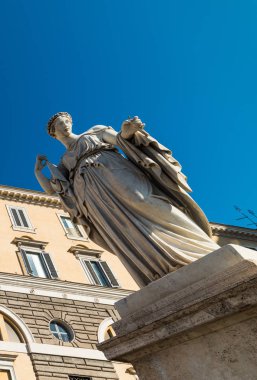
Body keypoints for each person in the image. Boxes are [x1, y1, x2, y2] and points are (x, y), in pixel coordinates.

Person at [35, 112, 219, 286]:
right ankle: (160, 265)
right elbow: (53, 190)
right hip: (91, 195)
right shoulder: (64, 160)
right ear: (53, 133)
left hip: (113, 169)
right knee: (123, 228)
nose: (65, 125)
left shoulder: (94, 131)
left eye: (67, 121)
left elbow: (119, 139)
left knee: (143, 201)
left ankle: (200, 245)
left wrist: (128, 131)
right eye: (60, 124)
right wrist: (38, 172)